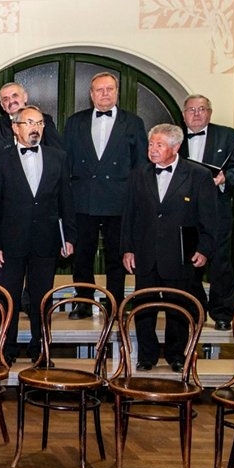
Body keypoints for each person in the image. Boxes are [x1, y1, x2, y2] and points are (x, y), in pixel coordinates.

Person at [121, 123, 218, 372]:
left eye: (159, 145)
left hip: (181, 253)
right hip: (145, 252)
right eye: (151, 144)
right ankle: (147, 356)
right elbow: (129, 215)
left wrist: (204, 249)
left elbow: (209, 217)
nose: (153, 149)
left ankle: (176, 355)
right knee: (144, 307)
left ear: (175, 148)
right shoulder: (138, 174)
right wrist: (128, 249)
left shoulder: (198, 175)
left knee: (178, 307)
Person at [0, 106, 76, 365]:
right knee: (9, 299)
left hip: (46, 241)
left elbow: (66, 201)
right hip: (9, 243)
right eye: (29, 123)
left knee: (42, 299)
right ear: (16, 127)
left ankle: (41, 350)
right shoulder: (2, 159)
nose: (35, 128)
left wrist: (69, 237)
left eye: (39, 123)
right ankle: (6, 350)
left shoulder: (58, 157)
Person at [61, 71, 147, 318]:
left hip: (119, 200)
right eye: (99, 90)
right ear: (91, 94)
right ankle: (83, 301)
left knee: (116, 257)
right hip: (83, 199)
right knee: (82, 255)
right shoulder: (75, 122)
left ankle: (115, 304)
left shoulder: (133, 123)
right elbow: (66, 162)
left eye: (109, 89)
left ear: (117, 92)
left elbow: (141, 165)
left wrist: (137, 200)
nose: (105, 94)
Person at [179, 94, 234, 330]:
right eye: (191, 110)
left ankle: (222, 314)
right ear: (183, 114)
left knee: (220, 263)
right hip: (185, 211)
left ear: (209, 113)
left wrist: (224, 178)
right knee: (189, 262)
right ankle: (194, 309)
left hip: (217, 208)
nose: (196, 114)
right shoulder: (175, 136)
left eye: (202, 109)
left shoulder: (227, 135)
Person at [0, 82, 62, 165]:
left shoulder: (44, 119)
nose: (11, 101)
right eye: (6, 99)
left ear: (25, 97)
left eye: (15, 96)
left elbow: (57, 150)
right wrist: (15, 140)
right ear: (2, 106)